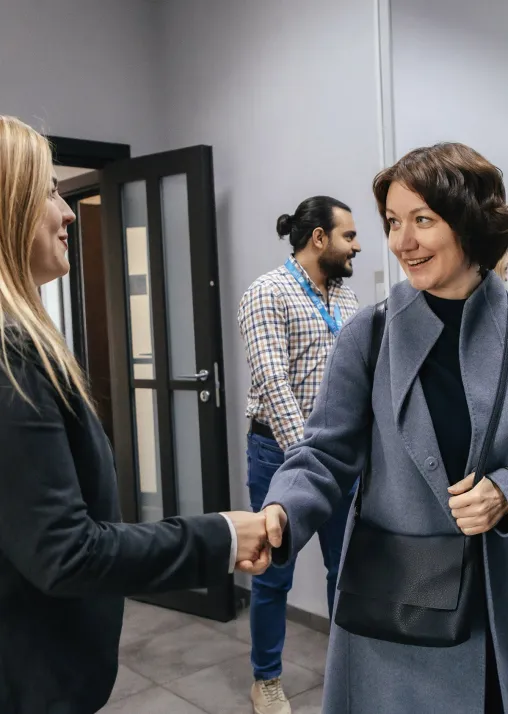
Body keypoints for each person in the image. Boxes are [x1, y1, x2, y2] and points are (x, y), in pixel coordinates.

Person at [0, 116, 270, 714]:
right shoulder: (12, 357)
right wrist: (222, 535)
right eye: (48, 191)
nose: (67, 211)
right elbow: (66, 554)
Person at [263, 143, 508, 714]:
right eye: (394, 223)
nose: (402, 242)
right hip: (404, 612)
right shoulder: (369, 337)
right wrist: (282, 512)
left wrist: (502, 487)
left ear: (469, 223)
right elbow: (323, 455)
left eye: (423, 220)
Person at [238, 196, 361, 714]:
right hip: (279, 453)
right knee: (273, 575)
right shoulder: (267, 293)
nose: (357, 245)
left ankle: (348, 671)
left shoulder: (348, 301)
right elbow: (272, 381)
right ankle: (265, 679)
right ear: (318, 239)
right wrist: (311, 460)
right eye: (349, 236)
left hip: (341, 454)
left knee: (347, 569)